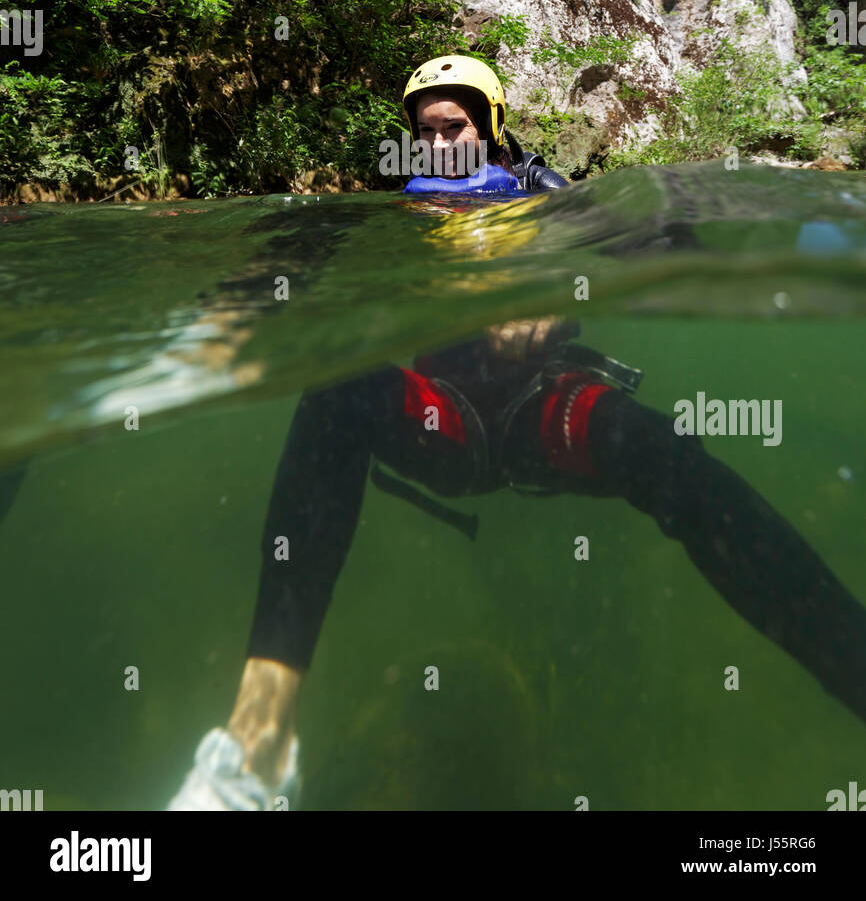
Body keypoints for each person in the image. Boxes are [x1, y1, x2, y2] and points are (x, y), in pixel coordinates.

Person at [168, 55, 866, 810]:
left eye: (455, 128)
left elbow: (653, 244)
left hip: (544, 405)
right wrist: (238, 304)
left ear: (492, 127)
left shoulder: (550, 199)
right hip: (443, 415)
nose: (438, 147)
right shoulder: (403, 211)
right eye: (425, 133)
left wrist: (558, 296)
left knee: (667, 455)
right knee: (335, 388)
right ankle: (259, 743)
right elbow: (307, 255)